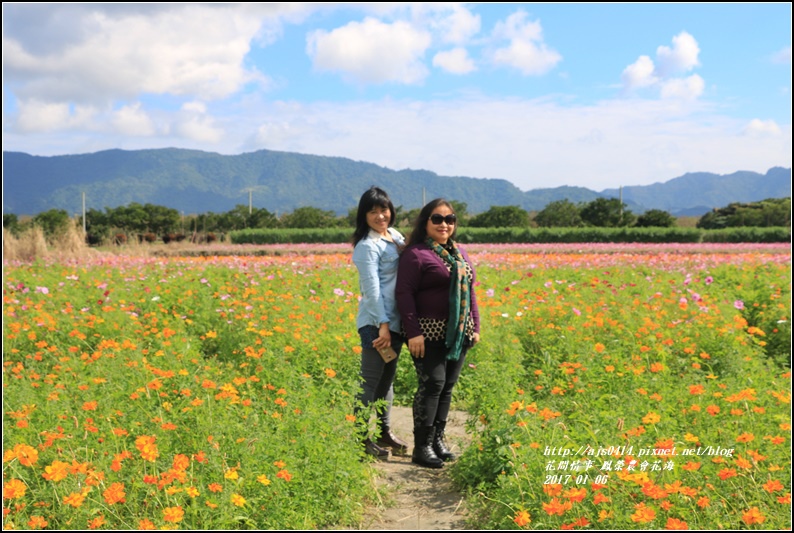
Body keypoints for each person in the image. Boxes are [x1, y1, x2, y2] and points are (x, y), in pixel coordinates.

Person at [396, 199, 480, 468]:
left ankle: (437, 441)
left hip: (458, 332)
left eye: (450, 219)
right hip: (428, 332)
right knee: (432, 384)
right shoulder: (416, 254)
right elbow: (404, 295)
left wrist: (475, 326)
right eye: (438, 219)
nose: (445, 224)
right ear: (426, 222)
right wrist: (413, 333)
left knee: (446, 387)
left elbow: (471, 290)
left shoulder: (459, 253)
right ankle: (421, 447)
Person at [351, 186, 410, 459]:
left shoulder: (395, 236)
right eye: (372, 211)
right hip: (377, 322)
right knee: (370, 382)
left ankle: (383, 433)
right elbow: (372, 290)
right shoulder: (366, 246)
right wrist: (383, 326)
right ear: (364, 216)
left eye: (383, 210)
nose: (379, 216)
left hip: (395, 322)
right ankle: (360, 439)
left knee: (387, 382)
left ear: (391, 211)